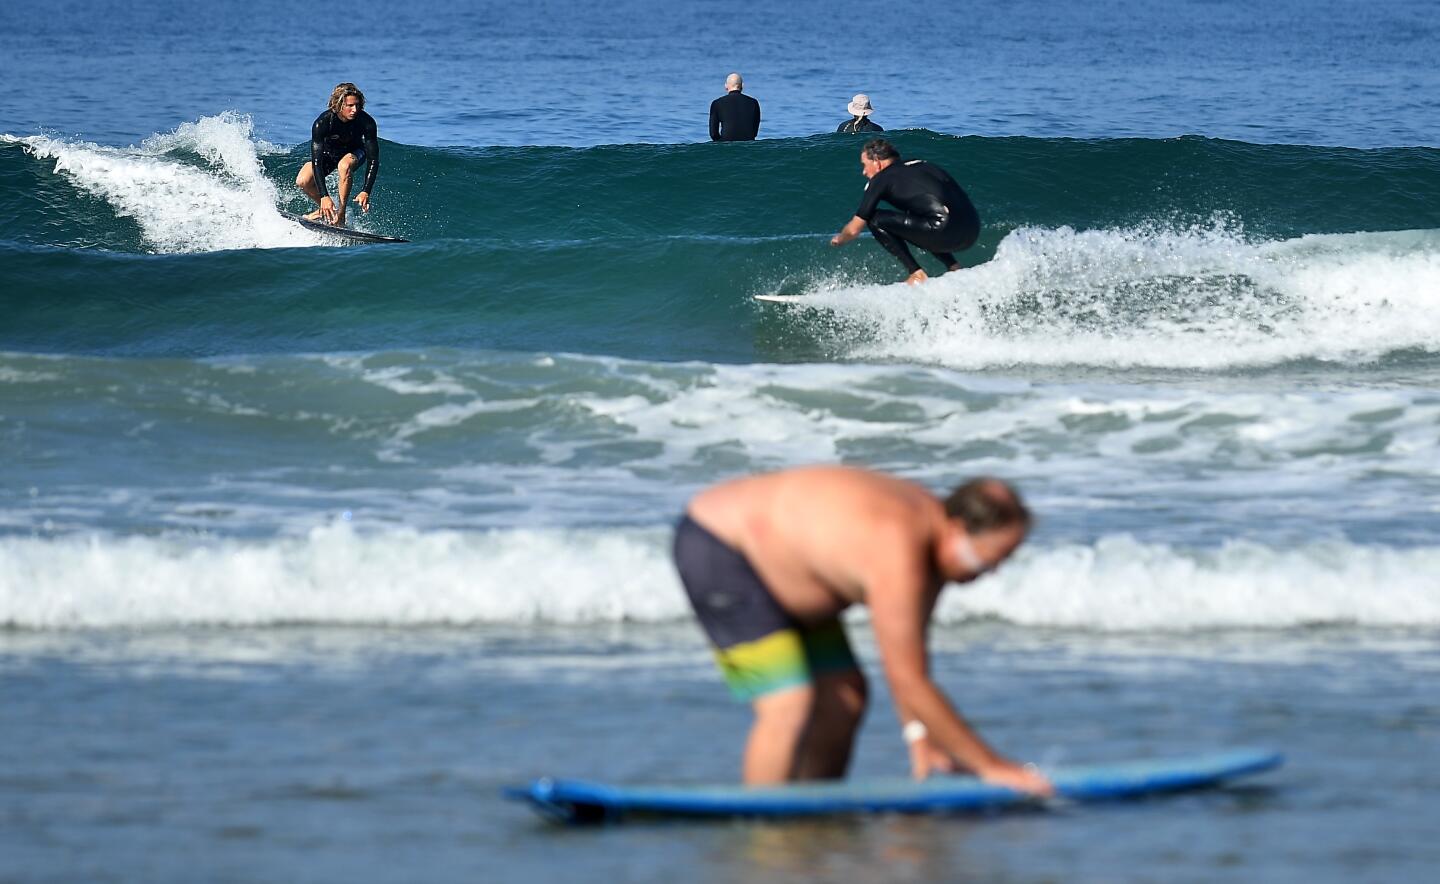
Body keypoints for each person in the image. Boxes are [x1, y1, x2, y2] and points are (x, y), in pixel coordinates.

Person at [672, 465, 1053, 795]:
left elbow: (908, 655)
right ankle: (761, 830)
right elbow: (908, 680)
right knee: (788, 704)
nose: (988, 573)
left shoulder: (931, 547)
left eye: (1000, 564)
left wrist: (919, 737)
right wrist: (992, 767)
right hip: (719, 548)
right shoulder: (899, 549)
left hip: (783, 575)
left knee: (846, 698)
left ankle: (810, 811)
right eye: (987, 560)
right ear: (956, 529)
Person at [830, 138, 981, 285]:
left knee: (874, 219)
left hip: (942, 230)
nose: (864, 172)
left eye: (865, 165)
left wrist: (840, 239)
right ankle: (954, 267)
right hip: (972, 229)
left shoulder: (881, 178)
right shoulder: (922, 164)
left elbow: (855, 229)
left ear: (876, 161)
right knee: (919, 218)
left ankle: (916, 274)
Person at [296, 82, 380, 227]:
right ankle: (327, 210)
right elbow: (317, 161)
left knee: (344, 165)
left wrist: (366, 191)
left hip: (354, 153)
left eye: (358, 105)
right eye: (350, 106)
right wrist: (324, 196)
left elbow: (373, 159)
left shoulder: (366, 122)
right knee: (302, 181)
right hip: (329, 155)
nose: (355, 110)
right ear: (339, 104)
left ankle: (340, 216)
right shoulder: (322, 123)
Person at [709, 72, 761, 142]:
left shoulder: (716, 103)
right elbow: (754, 132)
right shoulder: (754, 102)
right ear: (742, 86)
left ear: (726, 86)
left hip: (726, 145)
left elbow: (713, 134)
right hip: (748, 145)